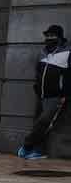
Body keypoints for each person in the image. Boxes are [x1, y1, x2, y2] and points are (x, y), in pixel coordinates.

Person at [18, 25, 69, 160]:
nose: (49, 38)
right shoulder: (42, 53)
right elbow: (38, 72)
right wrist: (36, 86)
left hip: (55, 96)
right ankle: (37, 151)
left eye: (52, 36)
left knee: (44, 121)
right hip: (40, 94)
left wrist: (64, 94)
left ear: (59, 37)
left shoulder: (67, 53)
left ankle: (27, 146)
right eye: (47, 36)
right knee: (40, 123)